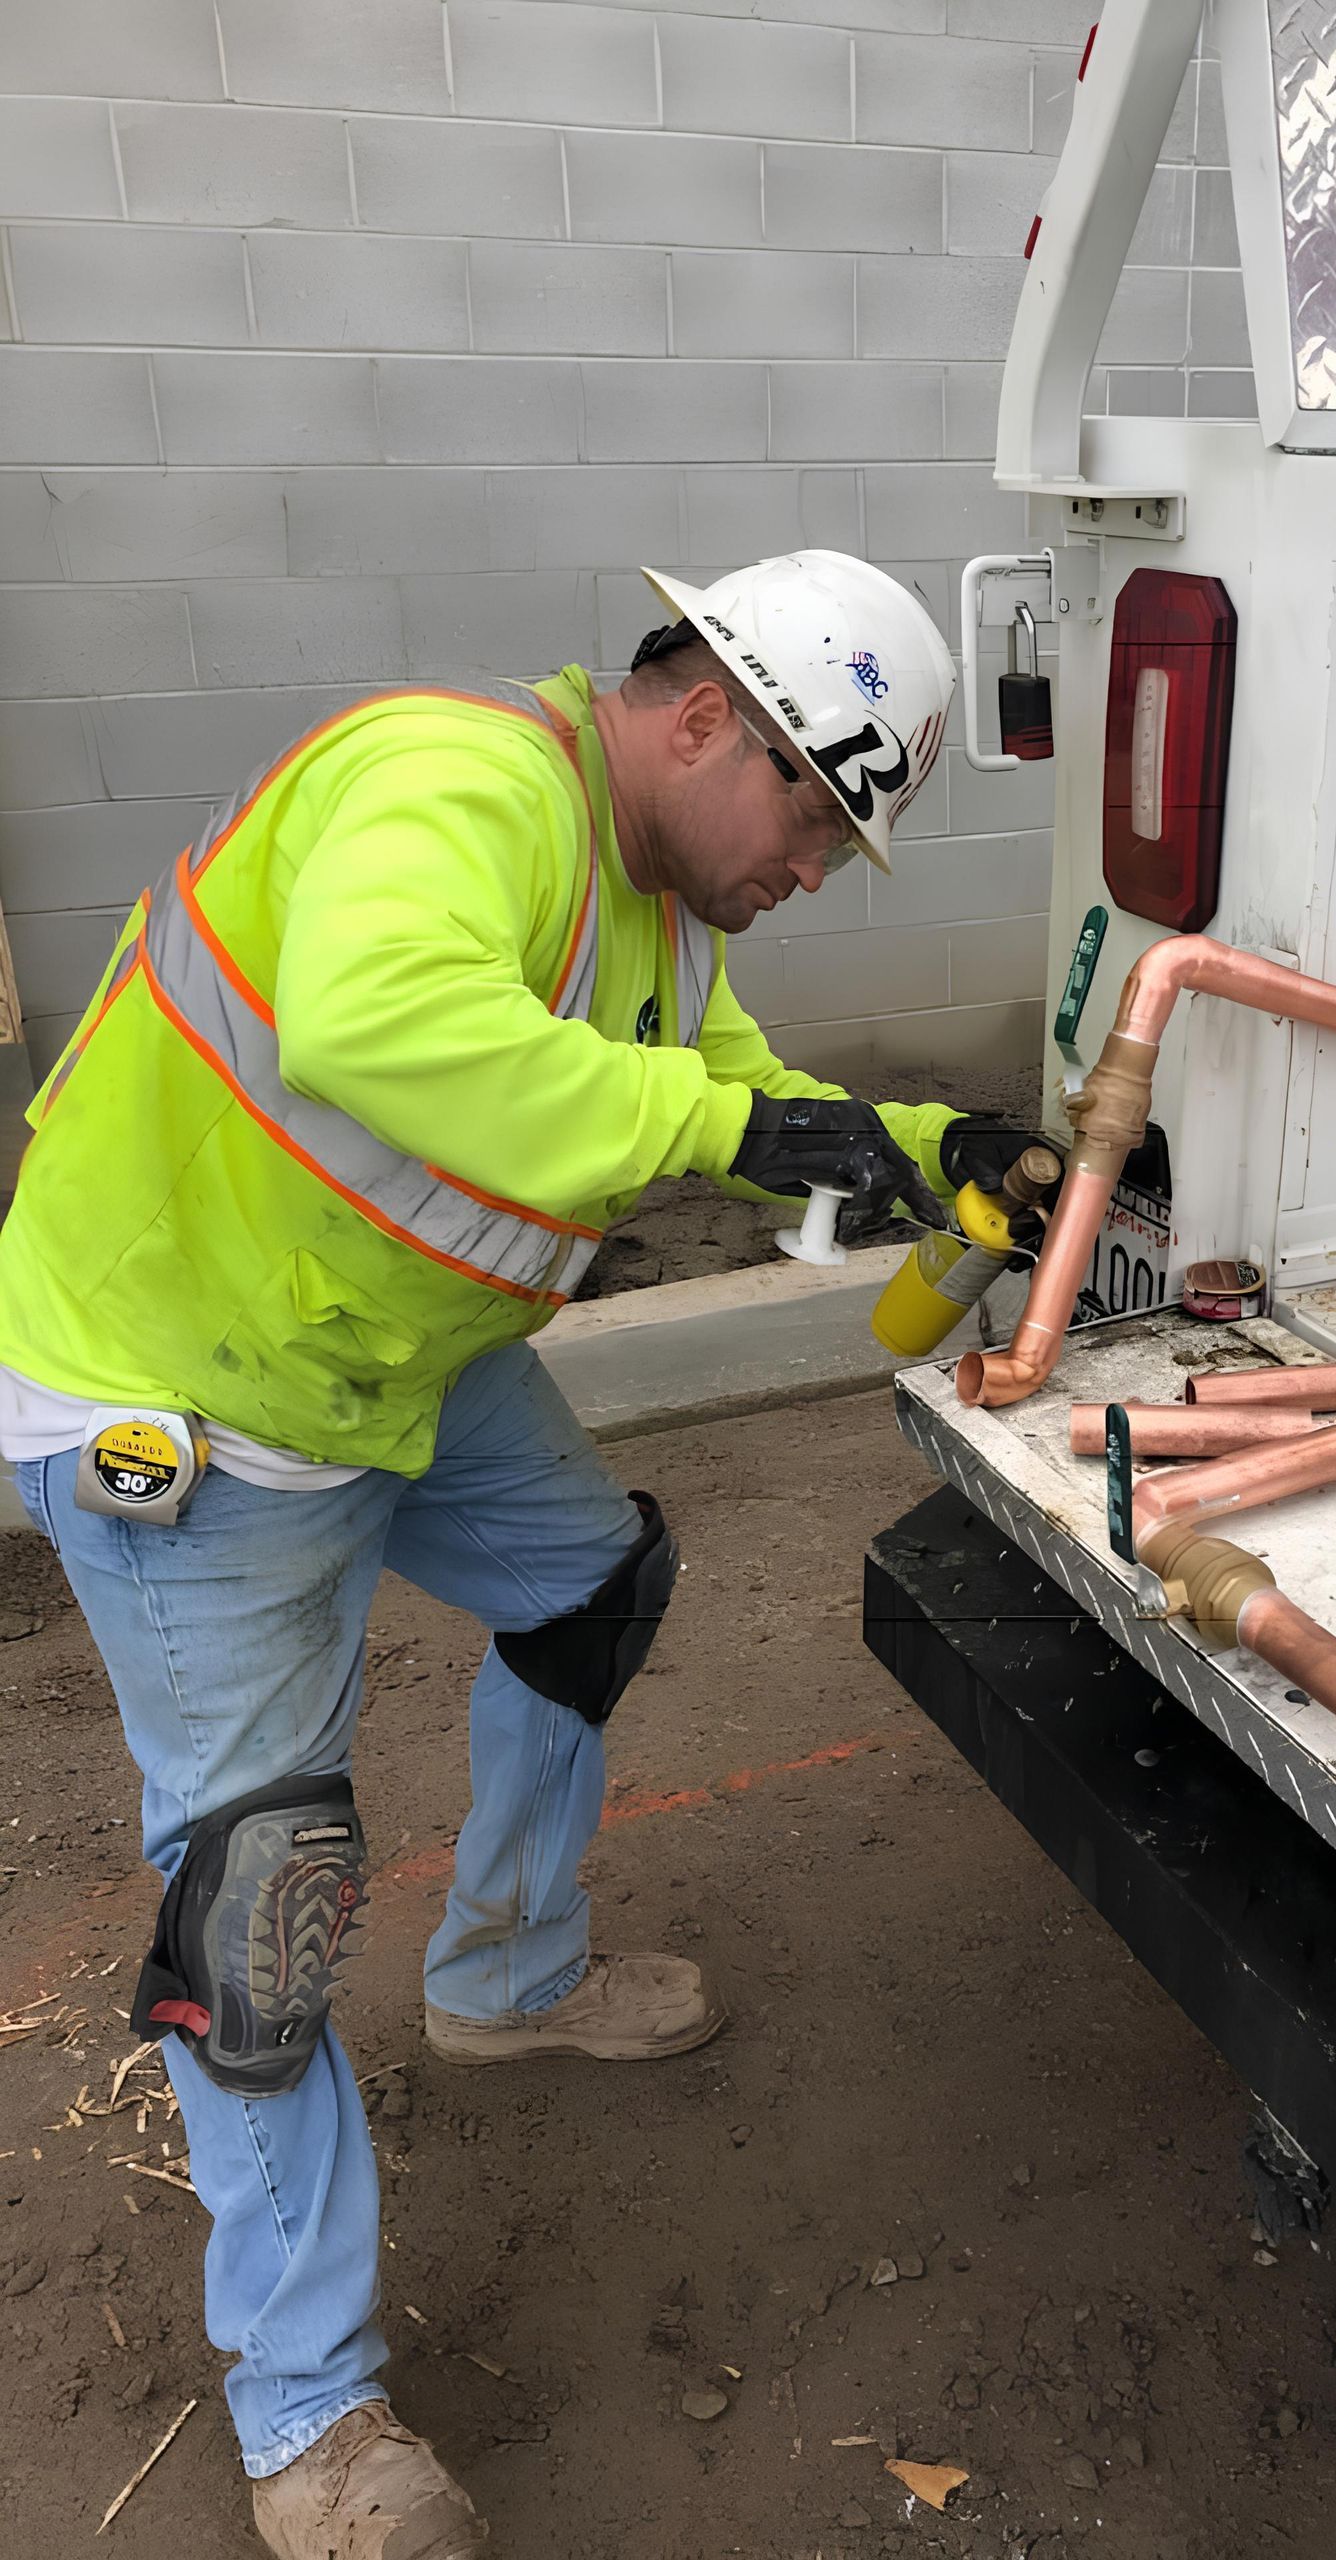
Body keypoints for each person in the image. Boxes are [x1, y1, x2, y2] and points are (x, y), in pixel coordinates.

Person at [0, 550, 1055, 2557]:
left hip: (378, 1350)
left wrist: (933, 1151)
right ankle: (310, 2421)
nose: (814, 874)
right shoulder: (457, 781)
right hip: (190, 1381)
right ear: (703, 719)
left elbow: (738, 1092)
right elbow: (385, 1022)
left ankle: (503, 1973)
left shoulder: (653, 916)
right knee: (261, 1899)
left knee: (596, 1584)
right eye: (820, 823)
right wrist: (732, 1138)